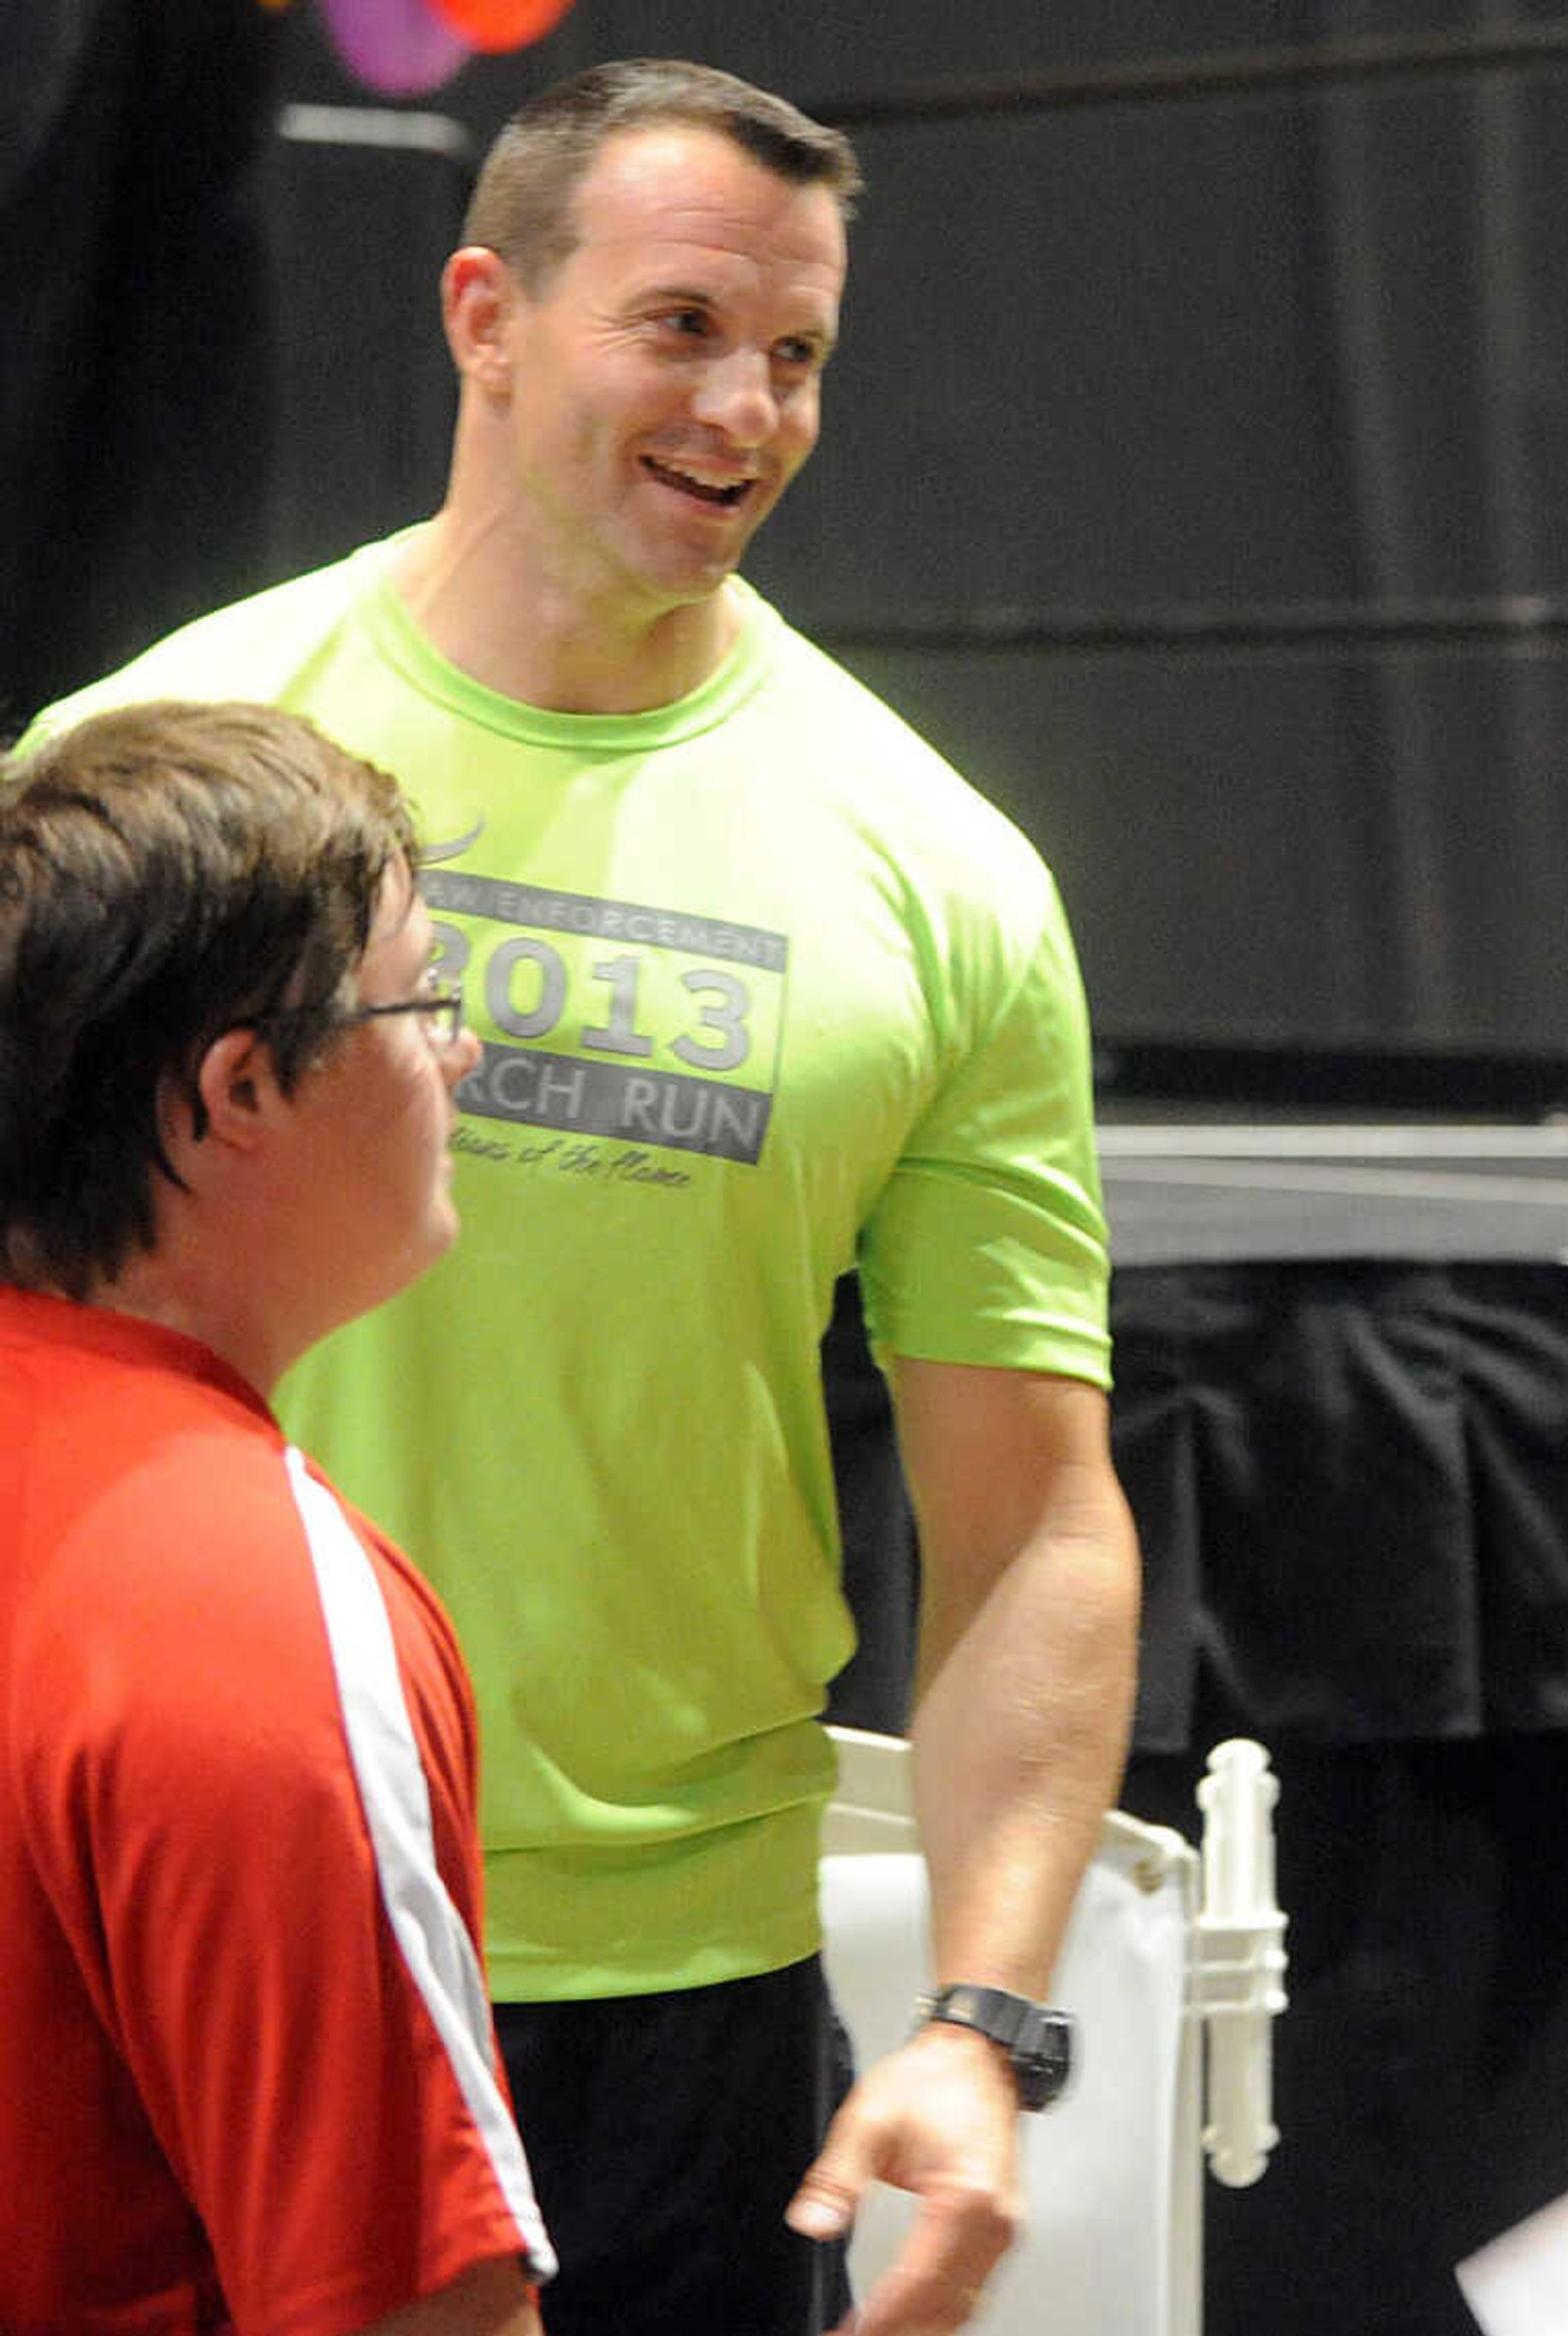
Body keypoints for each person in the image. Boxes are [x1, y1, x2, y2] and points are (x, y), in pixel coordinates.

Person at [26, 59, 1143, 2336]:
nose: (748, 405)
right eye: (682, 323)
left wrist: (984, 2018)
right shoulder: (156, 760)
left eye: (802, 350)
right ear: (485, 314)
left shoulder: (936, 879)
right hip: (188, 1920)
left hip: (677, 2010)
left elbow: (1031, 1516)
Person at [1, 699, 550, 2333]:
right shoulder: (243, 1604)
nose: (461, 1051)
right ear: (240, 1086)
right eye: (422, 998)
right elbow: (412, 2309)